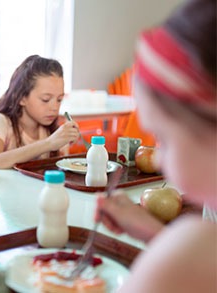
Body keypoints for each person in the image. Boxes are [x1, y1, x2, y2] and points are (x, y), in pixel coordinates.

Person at [94, 0, 216, 292]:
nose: (158, 159)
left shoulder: (194, 248)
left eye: (163, 138)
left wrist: (176, 249)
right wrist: (159, 235)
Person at [0, 55, 80, 170]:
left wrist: (63, 143)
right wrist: (49, 143)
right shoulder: (1, 121)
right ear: (22, 98)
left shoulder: (50, 129)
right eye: (45, 99)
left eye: (59, 99)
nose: (54, 107)